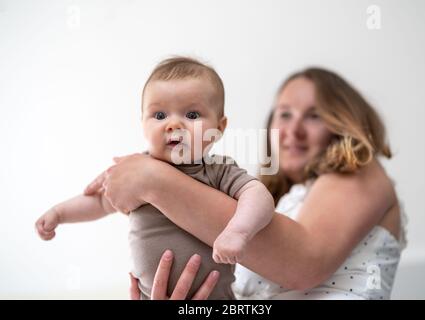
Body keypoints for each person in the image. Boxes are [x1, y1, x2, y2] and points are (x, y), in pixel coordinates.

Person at [85, 67, 407, 300]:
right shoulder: (284, 204)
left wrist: (152, 179)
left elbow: (303, 263)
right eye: (284, 114)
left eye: (314, 115)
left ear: (343, 123)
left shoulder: (359, 172)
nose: (293, 130)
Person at [35, 57, 274, 300]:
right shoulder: (136, 174)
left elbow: (258, 195)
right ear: (142, 123)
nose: (173, 124)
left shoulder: (218, 170)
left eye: (192, 114)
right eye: (159, 115)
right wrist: (60, 213)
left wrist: (239, 232)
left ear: (219, 127)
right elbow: (99, 202)